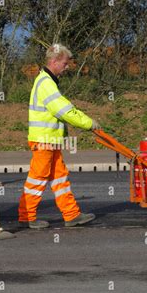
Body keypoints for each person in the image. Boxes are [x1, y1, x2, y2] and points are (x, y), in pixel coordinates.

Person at [18, 43, 101, 229]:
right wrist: (88, 123)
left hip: (50, 140)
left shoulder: (47, 81)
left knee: (59, 178)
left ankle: (71, 215)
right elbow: (64, 111)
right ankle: (26, 216)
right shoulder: (46, 83)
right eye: (64, 63)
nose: (67, 66)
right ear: (54, 61)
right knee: (37, 179)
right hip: (44, 140)